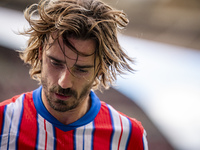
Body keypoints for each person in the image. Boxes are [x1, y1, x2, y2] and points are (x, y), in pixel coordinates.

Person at [0, 0, 148, 149]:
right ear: (40, 52)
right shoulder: (3, 121)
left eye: (81, 70)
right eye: (56, 63)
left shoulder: (129, 137)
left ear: (101, 68)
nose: (64, 83)